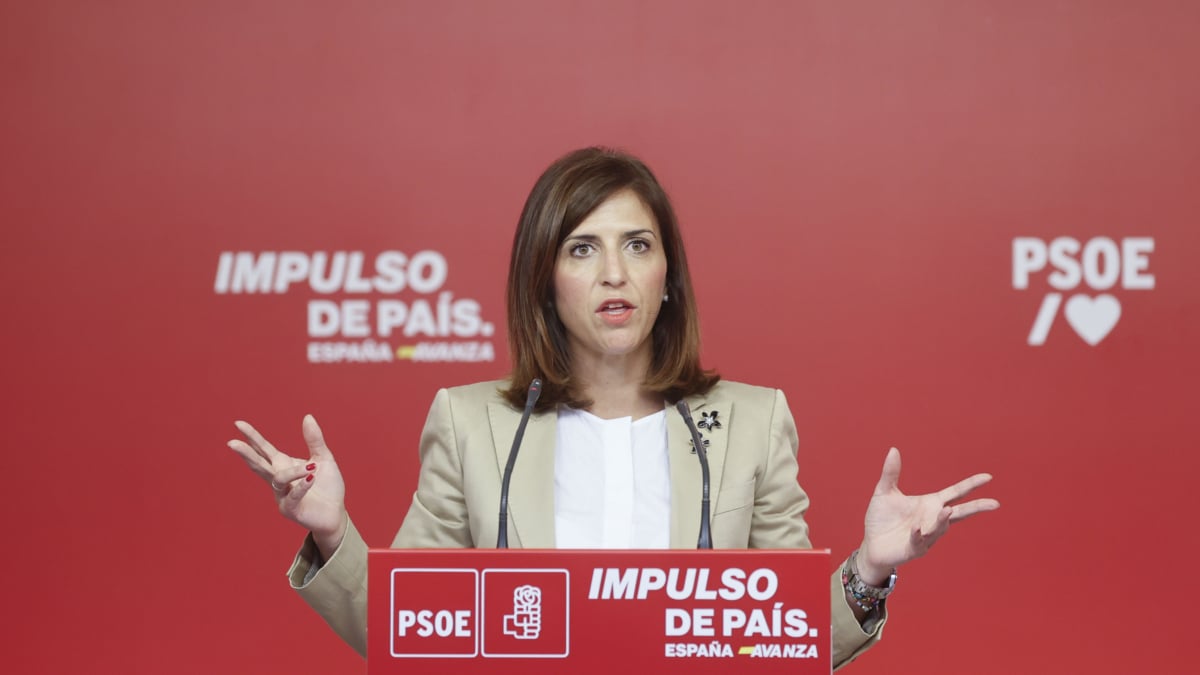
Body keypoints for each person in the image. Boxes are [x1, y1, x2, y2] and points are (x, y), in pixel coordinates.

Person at [228, 147, 999, 670]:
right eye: (582, 247)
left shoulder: (751, 422)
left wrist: (868, 569)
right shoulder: (472, 424)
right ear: (545, 280)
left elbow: (778, 642)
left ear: (668, 276)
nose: (614, 273)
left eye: (637, 244)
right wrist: (332, 532)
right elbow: (411, 634)